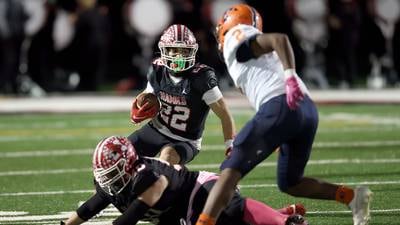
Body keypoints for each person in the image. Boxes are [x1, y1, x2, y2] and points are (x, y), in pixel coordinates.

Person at [195, 3, 372, 225]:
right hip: (305, 110)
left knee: (228, 171)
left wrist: (289, 76)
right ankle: (353, 197)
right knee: (290, 182)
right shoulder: (250, 56)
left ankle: (204, 222)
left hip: (281, 105)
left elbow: (279, 39)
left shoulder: (235, 36)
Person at [61, 135, 308, 225]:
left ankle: (284, 222)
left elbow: (131, 217)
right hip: (179, 214)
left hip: (199, 190)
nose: (108, 181)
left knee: (232, 209)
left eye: (113, 173)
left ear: (128, 166)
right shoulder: (116, 183)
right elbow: (91, 206)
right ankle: (281, 213)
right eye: (105, 174)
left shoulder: (146, 177)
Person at [128, 24, 235, 165]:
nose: (176, 55)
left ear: (192, 52)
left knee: (166, 160)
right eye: (172, 50)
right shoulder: (157, 69)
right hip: (157, 129)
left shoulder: (202, 78)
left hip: (185, 140)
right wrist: (141, 103)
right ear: (163, 50)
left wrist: (231, 145)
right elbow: (148, 94)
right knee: (124, 151)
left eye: (183, 51)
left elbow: (224, 114)